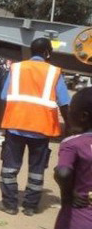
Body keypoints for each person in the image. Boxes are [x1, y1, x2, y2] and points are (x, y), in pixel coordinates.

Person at [0, 37, 71, 216]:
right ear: (46, 52)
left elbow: (3, 98)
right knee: (36, 171)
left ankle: (10, 205)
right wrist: (70, 126)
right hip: (41, 129)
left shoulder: (17, 68)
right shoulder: (54, 72)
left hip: (15, 125)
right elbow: (64, 103)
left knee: (9, 168)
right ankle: (30, 206)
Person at [54, 88, 92, 229]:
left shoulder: (73, 144)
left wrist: (68, 196)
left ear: (83, 116)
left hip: (80, 217)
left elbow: (63, 173)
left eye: (70, 110)